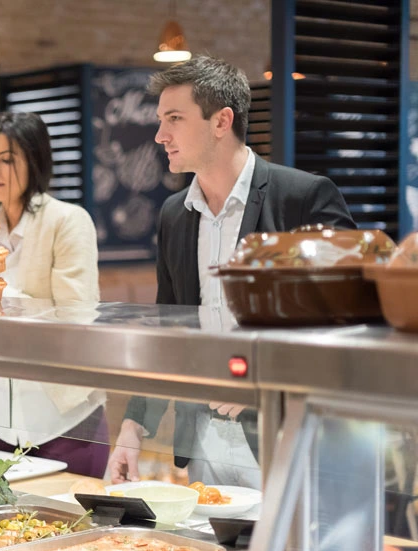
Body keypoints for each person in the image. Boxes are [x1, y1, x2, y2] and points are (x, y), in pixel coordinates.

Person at [106, 55, 354, 487]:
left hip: (292, 436)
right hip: (202, 442)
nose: (161, 135)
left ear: (222, 121)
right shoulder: (173, 214)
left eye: (175, 119)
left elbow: (351, 317)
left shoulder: (304, 197)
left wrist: (262, 374)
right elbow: (170, 326)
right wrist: (134, 425)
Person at [0, 111, 109, 478]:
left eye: (7, 160)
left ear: (35, 160)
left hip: (67, 419)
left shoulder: (68, 221)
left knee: (75, 527)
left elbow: (76, 318)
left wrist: (0, 300)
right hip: (2, 425)